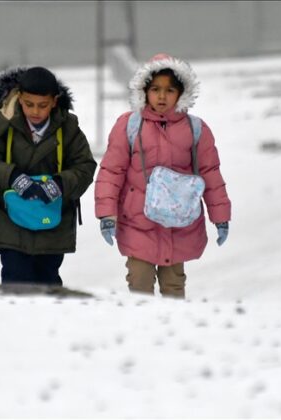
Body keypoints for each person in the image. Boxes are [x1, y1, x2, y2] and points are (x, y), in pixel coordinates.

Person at [94, 53, 231, 298]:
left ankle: (172, 333)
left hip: (179, 223)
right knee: (139, 284)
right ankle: (142, 333)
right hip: (138, 222)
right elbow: (111, 172)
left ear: (181, 93)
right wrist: (107, 214)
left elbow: (210, 174)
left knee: (174, 287)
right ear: (144, 91)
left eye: (169, 90)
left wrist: (220, 216)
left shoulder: (195, 129)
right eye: (155, 89)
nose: (161, 96)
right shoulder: (129, 126)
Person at [0, 66, 97, 285]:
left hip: (52, 220)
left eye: (43, 105)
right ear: (19, 98)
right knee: (15, 278)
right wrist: (13, 178)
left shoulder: (68, 127)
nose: (35, 111)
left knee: (48, 280)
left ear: (55, 102)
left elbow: (85, 166)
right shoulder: (1, 123)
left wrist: (58, 184)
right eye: (29, 104)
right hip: (8, 219)